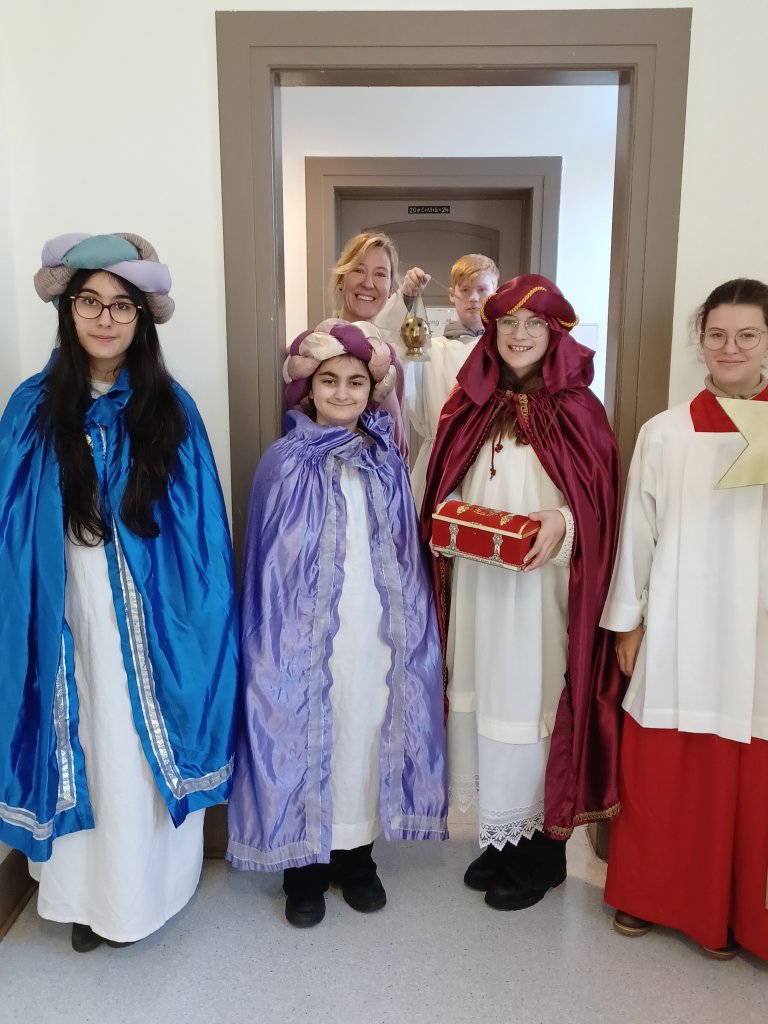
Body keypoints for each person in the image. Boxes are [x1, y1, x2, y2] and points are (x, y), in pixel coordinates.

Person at [0, 233, 238, 951]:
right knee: (82, 736)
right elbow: (13, 526)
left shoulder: (170, 408)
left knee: (135, 745)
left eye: (122, 306)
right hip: (66, 608)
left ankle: (143, 896)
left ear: (142, 318)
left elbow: (199, 535)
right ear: (67, 310)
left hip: (152, 613)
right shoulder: (32, 407)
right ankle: (84, 898)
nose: (105, 319)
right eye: (90, 302)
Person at [227, 318, 448, 928]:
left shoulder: (385, 460)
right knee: (303, 726)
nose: (343, 393)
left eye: (355, 382)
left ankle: (357, 856)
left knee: (364, 726)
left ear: (371, 391)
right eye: (329, 381)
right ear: (308, 389)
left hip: (372, 627)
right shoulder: (283, 462)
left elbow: (403, 548)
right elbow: (268, 563)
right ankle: (305, 868)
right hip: (301, 632)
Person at [421, 274, 624, 912]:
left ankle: (539, 852)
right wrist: (449, 512)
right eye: (507, 322)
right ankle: (501, 835)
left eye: (534, 323)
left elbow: (599, 505)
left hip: (542, 594)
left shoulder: (580, 411)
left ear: (556, 334)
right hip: (479, 584)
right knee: (484, 694)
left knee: (531, 703)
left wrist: (562, 522)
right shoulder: (468, 404)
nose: (519, 334)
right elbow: (443, 476)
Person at [601, 278, 768, 962]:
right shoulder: (665, 432)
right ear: (700, 340)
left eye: (747, 335)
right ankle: (649, 896)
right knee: (663, 765)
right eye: (717, 334)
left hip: (757, 632)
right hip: (679, 619)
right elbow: (636, 535)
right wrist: (628, 622)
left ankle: (736, 912)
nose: (730, 347)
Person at [406, 253, 499, 510]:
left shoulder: (507, 353)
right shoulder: (431, 349)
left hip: (489, 465)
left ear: (496, 294)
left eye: (482, 289)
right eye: (465, 290)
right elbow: (402, 371)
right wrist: (408, 301)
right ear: (451, 294)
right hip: (440, 462)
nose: (473, 298)